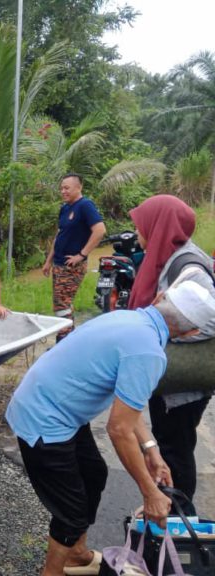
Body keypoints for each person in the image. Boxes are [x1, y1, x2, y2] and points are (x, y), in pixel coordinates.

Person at [5, 280, 215, 576]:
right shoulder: (149, 353)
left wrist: (151, 450)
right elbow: (118, 430)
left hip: (52, 407)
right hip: (44, 421)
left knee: (94, 474)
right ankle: (52, 571)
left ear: (159, 297)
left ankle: (76, 554)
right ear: (193, 333)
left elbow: (126, 410)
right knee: (72, 511)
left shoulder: (128, 318)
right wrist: (150, 492)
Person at [128, 194, 215, 512]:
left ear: (158, 225)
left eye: (141, 225)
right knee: (173, 445)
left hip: (182, 385)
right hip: (169, 379)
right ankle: (172, 511)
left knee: (175, 449)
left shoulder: (188, 266)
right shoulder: (169, 256)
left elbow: (210, 320)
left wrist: (161, 330)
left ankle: (179, 517)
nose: (138, 232)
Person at [42, 174, 106, 341]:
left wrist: (82, 255)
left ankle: (63, 342)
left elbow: (100, 230)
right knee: (63, 303)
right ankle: (70, 340)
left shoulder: (85, 206)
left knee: (61, 305)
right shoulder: (65, 208)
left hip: (72, 266)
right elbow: (59, 235)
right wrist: (48, 261)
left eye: (67, 188)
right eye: (62, 188)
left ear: (79, 188)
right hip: (59, 263)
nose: (63, 191)